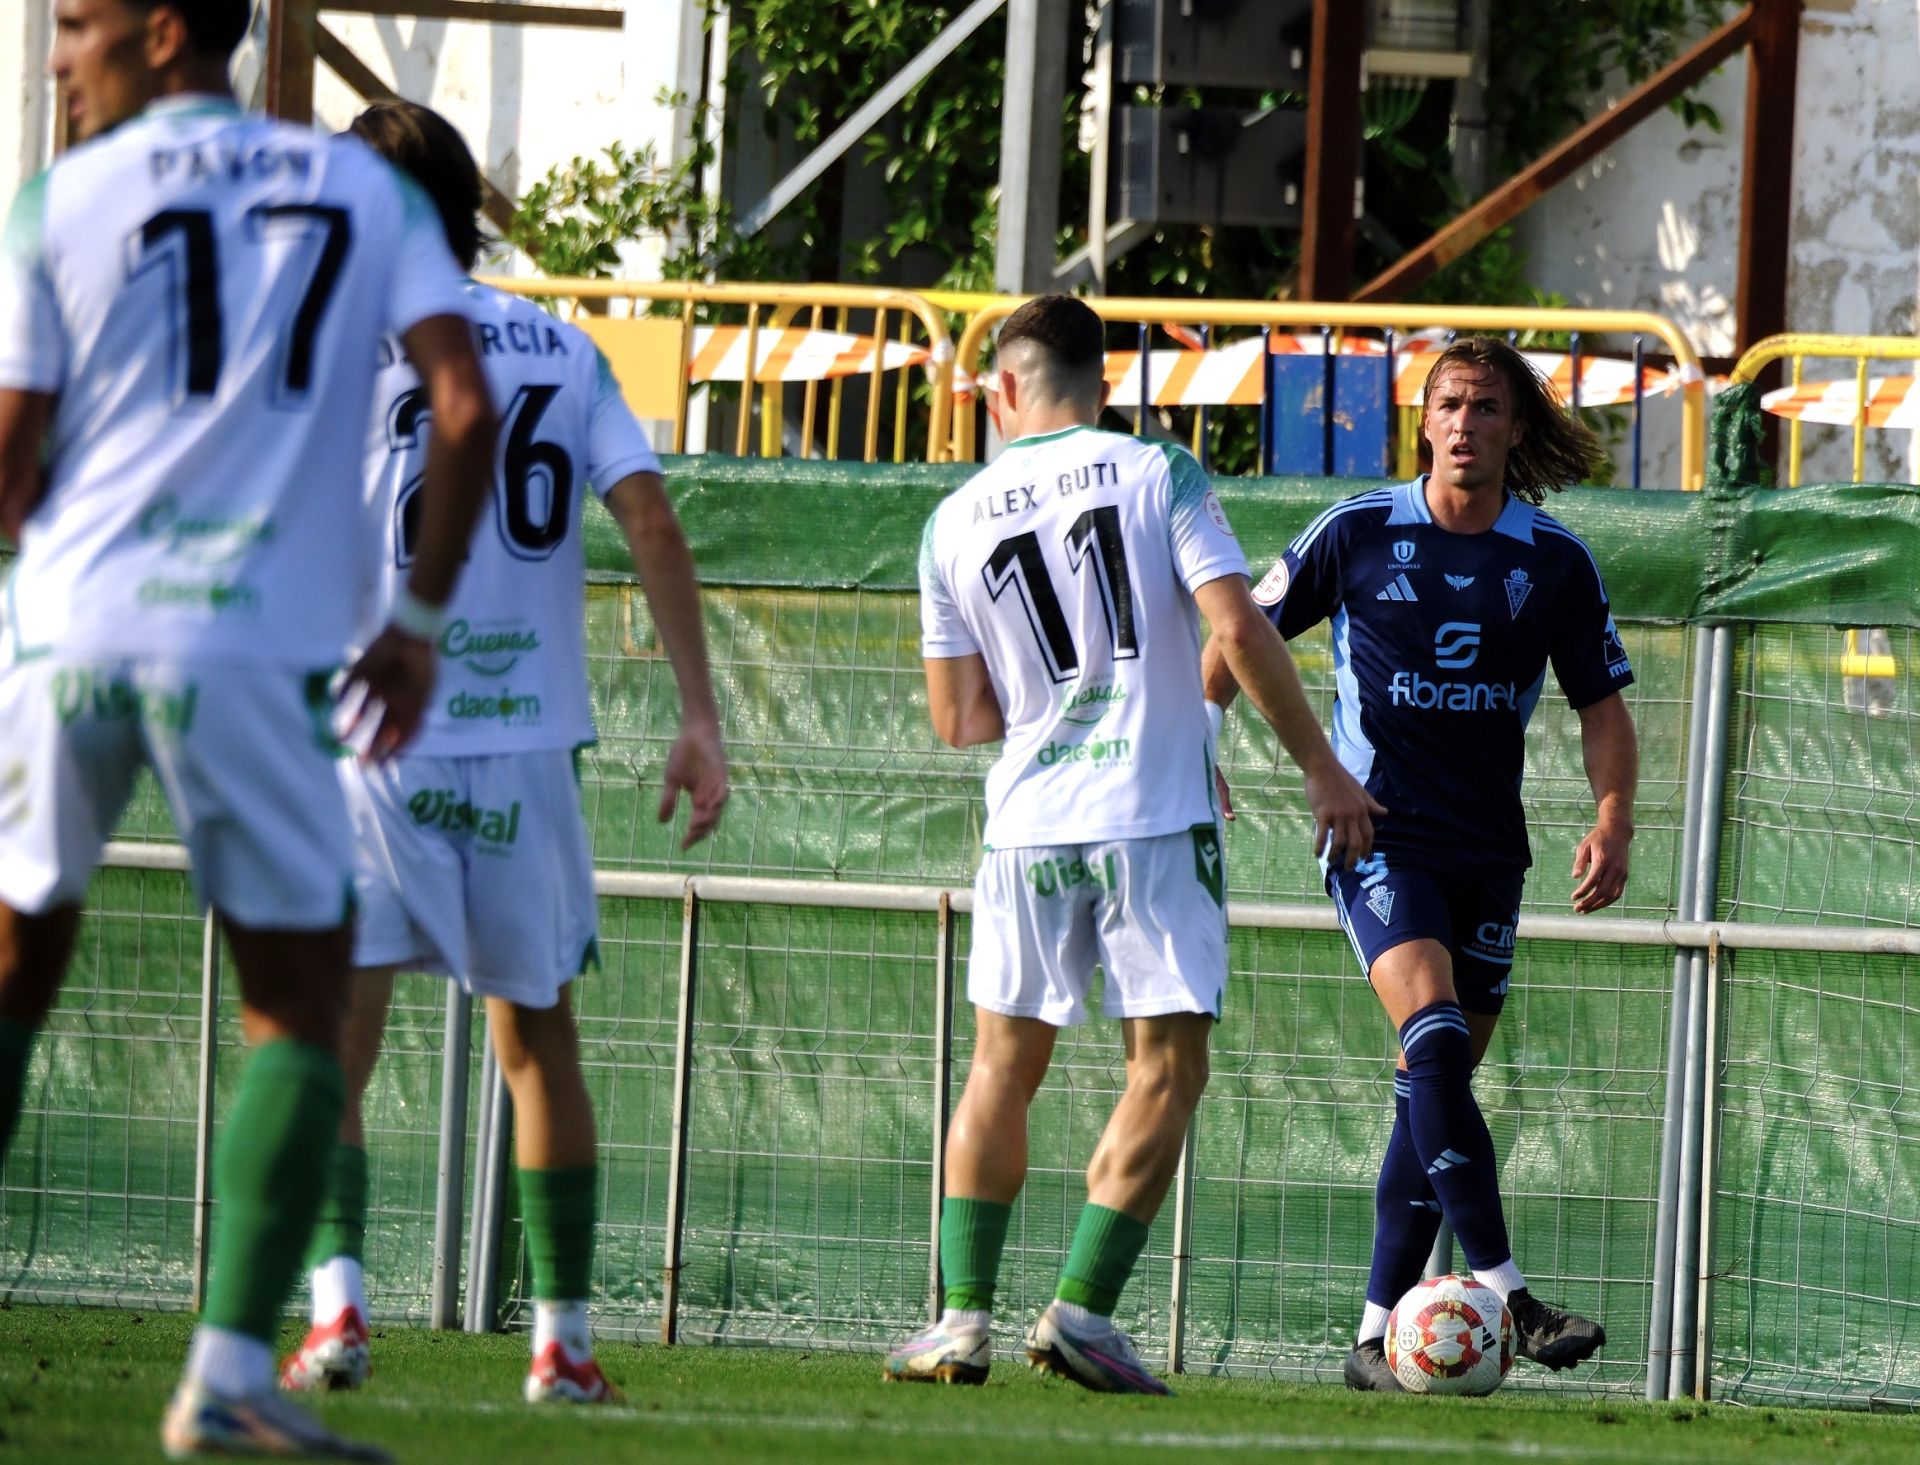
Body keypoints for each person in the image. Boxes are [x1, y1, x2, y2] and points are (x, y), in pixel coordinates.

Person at [0, 1, 496, 1457]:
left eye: (75, 24)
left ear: (163, 31)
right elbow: (462, 407)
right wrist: (415, 622)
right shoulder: (358, 190)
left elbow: (10, 454)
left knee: (17, 961)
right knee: (296, 998)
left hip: (72, 626)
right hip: (249, 641)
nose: (56, 54)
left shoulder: (62, 195)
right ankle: (225, 1376)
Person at [277, 101, 729, 1406]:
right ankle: (562, 1345)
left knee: (332, 1032)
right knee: (539, 1043)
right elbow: (650, 520)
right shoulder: (564, 346)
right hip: (526, 742)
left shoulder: (330, 341)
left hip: (373, 729)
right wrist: (698, 714)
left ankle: (337, 1315)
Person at [885, 294, 1380, 1394]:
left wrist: (1055, 708)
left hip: (1027, 827)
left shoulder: (952, 520)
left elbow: (959, 717)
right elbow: (1237, 626)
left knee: (1000, 1066)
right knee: (1166, 1065)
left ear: (1003, 389)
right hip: (1151, 816)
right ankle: (1082, 1311)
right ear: (1101, 383)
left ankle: (960, 1319)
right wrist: (1317, 764)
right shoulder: (1158, 471)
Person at [1202, 337, 1638, 1391]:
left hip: (1490, 851)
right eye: (1448, 404)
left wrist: (1614, 818)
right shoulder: (1357, 531)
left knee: (1429, 1084)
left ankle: (1371, 1336)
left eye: (1486, 407)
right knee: (1433, 1034)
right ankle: (1512, 1295)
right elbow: (1234, 634)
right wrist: (1194, 746)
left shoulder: (1554, 561)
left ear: (1515, 428)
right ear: (1424, 421)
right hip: (1376, 835)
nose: (1464, 424)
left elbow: (1601, 707)